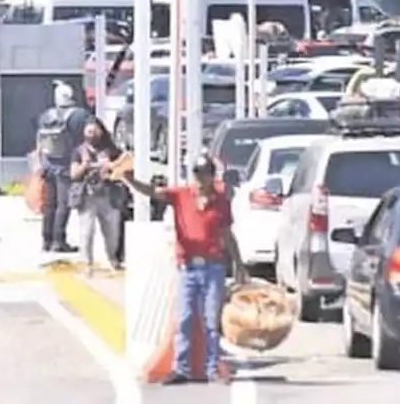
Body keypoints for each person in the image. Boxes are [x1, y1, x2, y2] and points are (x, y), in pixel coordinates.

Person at [119, 155, 246, 385]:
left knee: (210, 320)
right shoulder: (181, 195)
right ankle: (182, 368)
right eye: (197, 174)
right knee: (185, 318)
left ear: (211, 176)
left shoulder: (220, 202)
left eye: (205, 173)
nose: (200, 179)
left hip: (213, 267)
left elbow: (227, 234)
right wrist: (131, 181)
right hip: (188, 267)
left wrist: (239, 263)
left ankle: (212, 368)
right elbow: (153, 192)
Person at [35, 82, 90, 253]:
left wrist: (40, 162)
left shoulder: (46, 115)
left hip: (48, 164)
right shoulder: (79, 115)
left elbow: (38, 140)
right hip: (66, 165)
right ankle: (59, 241)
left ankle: (46, 239)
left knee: (49, 204)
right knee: (63, 204)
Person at [70, 118, 125, 274]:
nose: (92, 135)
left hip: (109, 195)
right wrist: (85, 165)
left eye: (95, 131)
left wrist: (111, 168)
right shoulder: (79, 151)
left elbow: (124, 166)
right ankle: (87, 261)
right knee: (86, 230)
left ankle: (113, 259)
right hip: (87, 196)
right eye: (89, 131)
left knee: (112, 231)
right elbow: (74, 174)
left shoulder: (112, 150)